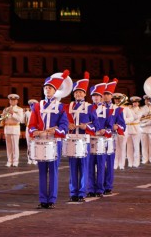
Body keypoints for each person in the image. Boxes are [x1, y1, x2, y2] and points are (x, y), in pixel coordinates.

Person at [28, 70, 70, 209]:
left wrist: (55, 130)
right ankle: (42, 199)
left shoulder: (61, 107)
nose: (47, 90)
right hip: (41, 142)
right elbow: (31, 125)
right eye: (46, 88)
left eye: (50, 88)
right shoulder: (37, 106)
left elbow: (64, 126)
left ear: (55, 90)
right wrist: (36, 132)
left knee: (53, 171)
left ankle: (51, 199)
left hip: (54, 142)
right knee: (41, 172)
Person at [66, 72, 96, 203]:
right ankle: (73, 192)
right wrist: (68, 125)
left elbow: (96, 125)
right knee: (73, 167)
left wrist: (87, 127)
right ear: (73, 94)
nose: (78, 94)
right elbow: (62, 121)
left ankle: (82, 192)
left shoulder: (90, 107)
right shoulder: (69, 106)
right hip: (72, 139)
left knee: (84, 166)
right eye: (76, 92)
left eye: (81, 92)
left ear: (85, 94)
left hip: (84, 139)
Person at [103, 79, 126, 194]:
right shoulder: (95, 107)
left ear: (111, 95)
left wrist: (117, 127)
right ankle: (98, 185)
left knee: (109, 162)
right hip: (98, 138)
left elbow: (122, 125)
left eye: (108, 94)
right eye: (104, 94)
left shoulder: (117, 109)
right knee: (98, 163)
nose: (106, 96)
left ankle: (108, 185)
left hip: (110, 138)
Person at [86, 80, 108, 198]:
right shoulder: (87, 109)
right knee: (89, 166)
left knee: (100, 166)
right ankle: (90, 188)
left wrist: (105, 131)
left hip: (101, 140)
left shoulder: (107, 110)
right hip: (90, 140)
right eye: (94, 96)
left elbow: (110, 126)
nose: (96, 98)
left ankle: (100, 188)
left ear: (101, 97)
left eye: (98, 96)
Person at [112, 92, 134, 170]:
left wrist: (123, 121)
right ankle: (115, 164)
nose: (117, 101)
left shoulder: (126, 108)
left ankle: (122, 164)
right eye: (115, 99)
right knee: (115, 147)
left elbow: (131, 118)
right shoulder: (112, 107)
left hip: (123, 129)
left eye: (118, 99)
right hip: (114, 129)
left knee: (122, 147)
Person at [2, 94, 25, 167]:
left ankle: (15, 161)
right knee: (8, 146)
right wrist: (3, 117)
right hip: (7, 128)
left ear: (17, 101)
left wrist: (13, 113)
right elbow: (3, 119)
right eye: (11, 100)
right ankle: (9, 160)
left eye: (14, 100)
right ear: (9, 101)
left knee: (15, 146)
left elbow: (21, 120)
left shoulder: (19, 109)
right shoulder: (6, 109)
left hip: (15, 128)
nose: (13, 101)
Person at [125, 96, 143, 168]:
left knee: (136, 146)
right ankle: (130, 162)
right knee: (129, 147)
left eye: (136, 102)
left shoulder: (140, 110)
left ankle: (136, 162)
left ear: (138, 103)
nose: (134, 104)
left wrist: (130, 110)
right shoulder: (129, 109)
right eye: (133, 102)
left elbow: (136, 117)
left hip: (136, 128)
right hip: (129, 128)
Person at [25, 99, 38, 165]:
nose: (32, 106)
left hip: (36, 129)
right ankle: (29, 158)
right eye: (31, 105)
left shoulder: (38, 112)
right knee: (29, 144)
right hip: (28, 128)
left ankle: (35, 159)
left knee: (35, 144)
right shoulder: (27, 113)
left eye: (33, 105)